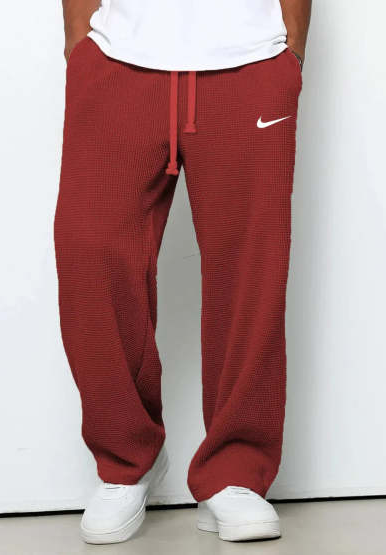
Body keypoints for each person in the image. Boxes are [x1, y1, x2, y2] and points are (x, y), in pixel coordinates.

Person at [55, 0, 311, 545]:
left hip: (250, 58)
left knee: (252, 270)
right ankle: (126, 460)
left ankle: (236, 471)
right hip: (118, 56)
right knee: (90, 257)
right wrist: (81, 39)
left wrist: (290, 45)